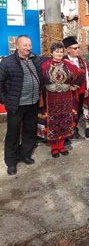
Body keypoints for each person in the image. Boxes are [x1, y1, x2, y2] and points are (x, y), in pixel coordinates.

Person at [0, 35, 43, 175]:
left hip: (33, 103)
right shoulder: (7, 62)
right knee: (13, 134)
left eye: (29, 45)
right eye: (24, 45)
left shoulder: (35, 59)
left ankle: (25, 154)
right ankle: (11, 162)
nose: (28, 48)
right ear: (17, 46)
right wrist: (5, 100)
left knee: (30, 132)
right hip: (16, 105)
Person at [38, 42, 84, 158]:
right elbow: (39, 79)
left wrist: (75, 86)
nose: (59, 53)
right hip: (50, 99)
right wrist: (45, 88)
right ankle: (54, 147)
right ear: (51, 52)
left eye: (61, 51)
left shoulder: (67, 64)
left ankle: (61, 146)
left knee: (65, 121)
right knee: (53, 121)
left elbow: (81, 74)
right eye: (56, 51)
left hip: (66, 98)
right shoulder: (45, 65)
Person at [63, 36, 87, 140]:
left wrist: (87, 88)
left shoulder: (81, 60)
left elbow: (86, 76)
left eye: (78, 48)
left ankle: (75, 129)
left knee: (78, 111)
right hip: (68, 92)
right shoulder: (63, 61)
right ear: (68, 49)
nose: (78, 50)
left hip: (80, 91)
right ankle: (67, 132)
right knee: (69, 112)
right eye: (75, 48)